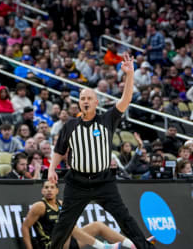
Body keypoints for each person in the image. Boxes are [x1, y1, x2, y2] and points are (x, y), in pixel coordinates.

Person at [48, 54, 154, 249]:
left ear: (96, 102)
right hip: (77, 182)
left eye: (89, 98)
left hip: (103, 180)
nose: (86, 101)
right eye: (82, 98)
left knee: (125, 219)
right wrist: (51, 169)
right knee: (63, 225)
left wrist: (129, 74)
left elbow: (126, 98)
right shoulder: (70, 125)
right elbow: (59, 149)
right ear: (79, 103)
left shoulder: (108, 119)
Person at [22, 181, 134, 249]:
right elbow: (25, 227)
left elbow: (73, 227)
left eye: (52, 187)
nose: (49, 190)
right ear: (42, 191)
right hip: (50, 245)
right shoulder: (39, 206)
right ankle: (102, 247)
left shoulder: (61, 204)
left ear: (57, 190)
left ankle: (133, 244)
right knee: (67, 226)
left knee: (97, 225)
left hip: (66, 243)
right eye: (46, 188)